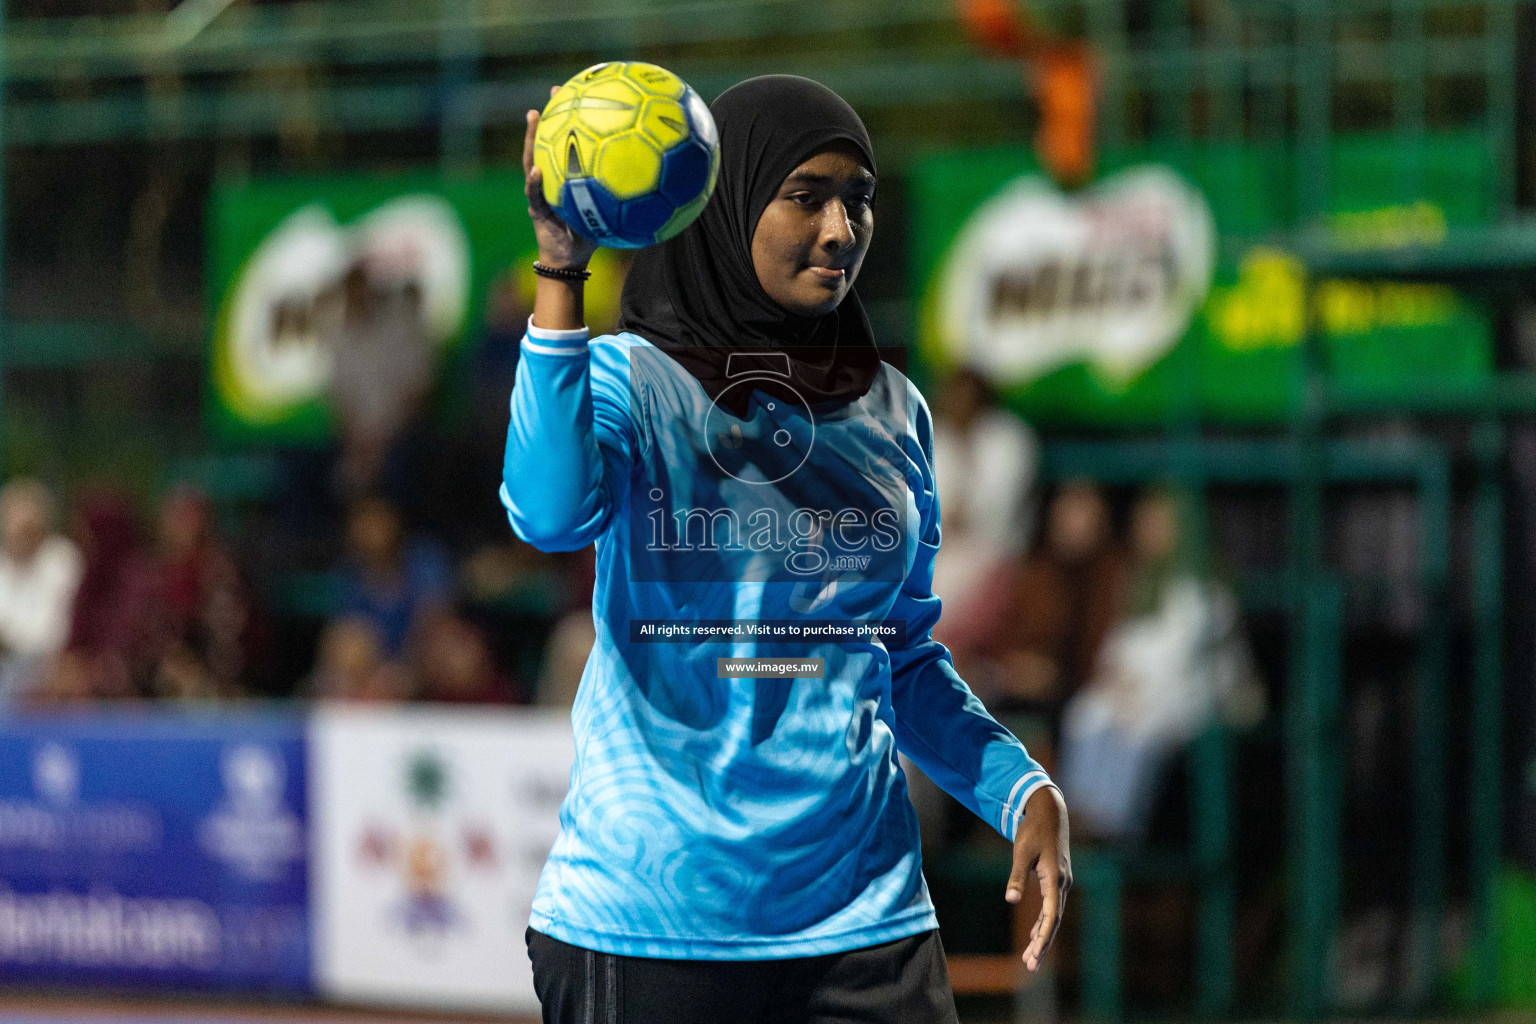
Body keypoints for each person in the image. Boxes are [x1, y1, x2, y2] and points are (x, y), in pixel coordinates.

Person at [503, 74, 1071, 1023]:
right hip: (653, 922)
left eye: (859, 199)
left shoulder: (896, 412)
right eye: (806, 196)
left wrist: (1021, 788)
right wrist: (561, 275)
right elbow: (548, 514)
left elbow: (901, 657)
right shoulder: (631, 383)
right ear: (726, 206)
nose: (842, 228)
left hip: (866, 923)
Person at [0, 479, 83, 707]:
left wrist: (10, 642)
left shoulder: (62, 559)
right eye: (15, 526)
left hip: (47, 671)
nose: (21, 534)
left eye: (28, 528)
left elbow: (52, 632)